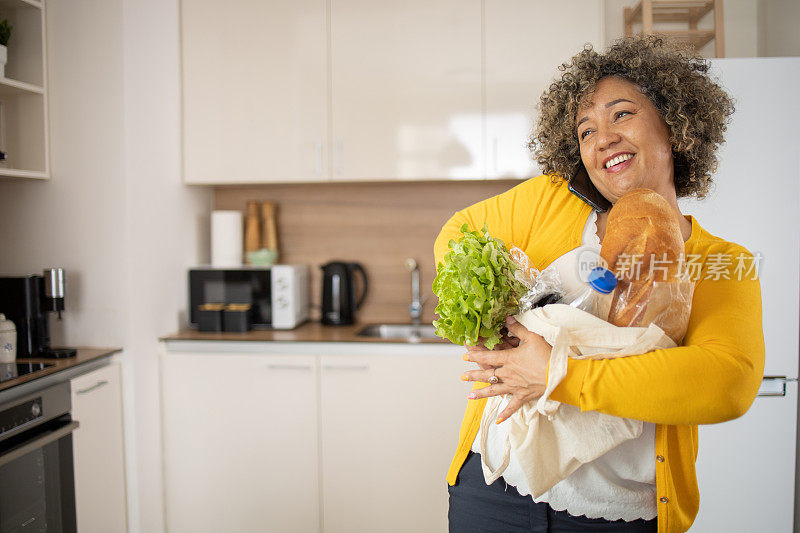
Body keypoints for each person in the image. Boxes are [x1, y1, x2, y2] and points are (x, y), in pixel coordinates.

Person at [434, 35, 764, 533]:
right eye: (585, 131)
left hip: (612, 514)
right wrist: (501, 313)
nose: (602, 138)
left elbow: (727, 382)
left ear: (674, 124)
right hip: (492, 490)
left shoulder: (722, 262)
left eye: (622, 114)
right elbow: (455, 238)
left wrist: (558, 375)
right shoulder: (549, 202)